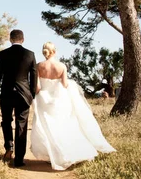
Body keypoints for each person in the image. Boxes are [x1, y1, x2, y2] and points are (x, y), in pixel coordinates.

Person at [30, 42, 116, 170]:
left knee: (47, 127)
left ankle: (52, 154)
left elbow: (37, 87)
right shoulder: (62, 66)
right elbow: (65, 84)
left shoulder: (39, 66)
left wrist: (38, 95)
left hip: (44, 98)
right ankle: (66, 152)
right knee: (63, 125)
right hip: (59, 98)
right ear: (54, 51)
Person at [0, 29, 37, 167]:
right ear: (23, 39)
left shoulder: (3, 54)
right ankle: (19, 159)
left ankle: (9, 147)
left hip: (7, 92)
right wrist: (32, 95)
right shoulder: (30, 54)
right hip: (24, 94)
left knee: (6, 120)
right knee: (22, 124)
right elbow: (33, 77)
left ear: (10, 39)